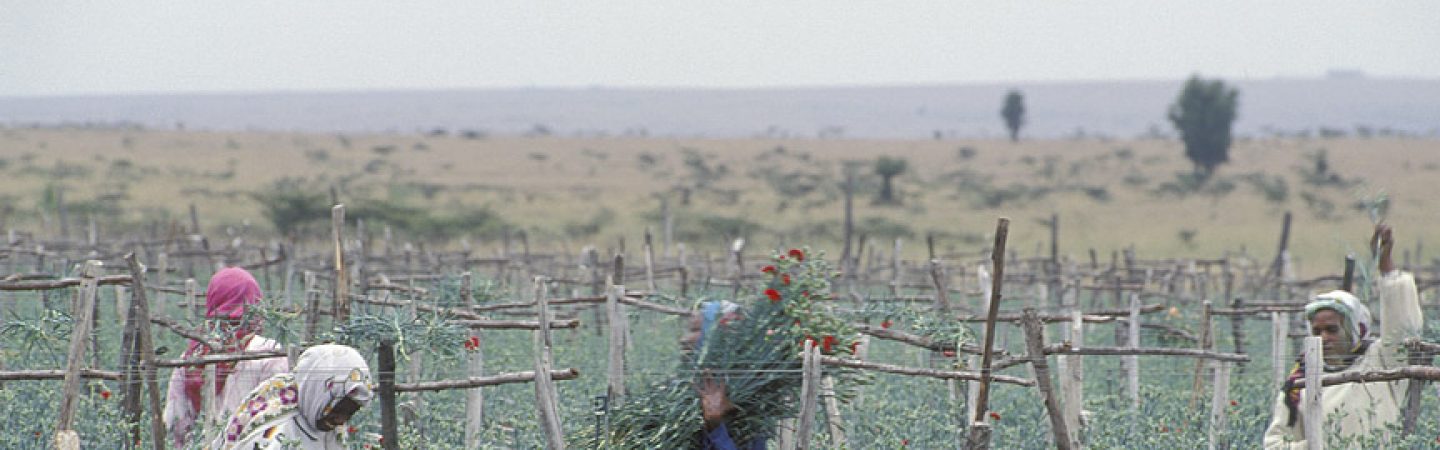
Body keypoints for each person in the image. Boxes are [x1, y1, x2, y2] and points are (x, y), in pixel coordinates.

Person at [1263, 225, 1424, 448]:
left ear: (1355, 329)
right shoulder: (1300, 381)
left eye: (1332, 329)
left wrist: (1386, 266)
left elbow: (1403, 328)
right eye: (1317, 331)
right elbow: (1274, 444)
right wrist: (1318, 445)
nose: (1323, 338)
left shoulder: (1382, 361)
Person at [162, 267, 289, 447]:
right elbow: (278, 423)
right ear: (255, 302)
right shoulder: (270, 352)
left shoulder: (192, 355)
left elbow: (176, 425)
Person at [212, 344, 374, 449]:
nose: (341, 420)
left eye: (350, 413)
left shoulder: (327, 426)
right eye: (338, 410)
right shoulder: (277, 434)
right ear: (317, 393)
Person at [684, 301, 768, 450]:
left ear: (716, 336)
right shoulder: (683, 387)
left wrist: (715, 426)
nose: (683, 339)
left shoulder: (749, 409)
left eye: (695, 330)